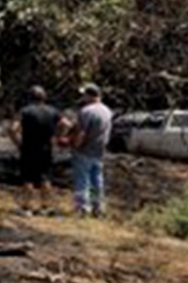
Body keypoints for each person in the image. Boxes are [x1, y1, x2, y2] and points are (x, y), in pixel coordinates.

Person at [10, 85, 66, 215]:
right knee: (45, 177)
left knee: (28, 177)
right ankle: (45, 207)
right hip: (46, 147)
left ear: (29, 97)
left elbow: (13, 129)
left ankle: (27, 207)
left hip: (29, 147)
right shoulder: (53, 111)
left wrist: (18, 142)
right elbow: (66, 124)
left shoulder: (25, 111)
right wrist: (58, 136)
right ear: (44, 97)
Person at [71, 83, 113, 217]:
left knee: (82, 180)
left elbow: (82, 133)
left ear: (89, 95)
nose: (82, 97)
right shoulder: (107, 111)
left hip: (85, 150)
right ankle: (98, 207)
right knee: (97, 181)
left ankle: (82, 207)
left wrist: (76, 146)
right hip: (99, 151)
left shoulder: (86, 111)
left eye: (84, 94)